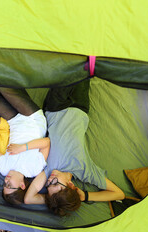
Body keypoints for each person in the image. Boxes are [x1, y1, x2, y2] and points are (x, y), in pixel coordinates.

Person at [23, 81, 125, 216]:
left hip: (56, 108)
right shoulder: (85, 171)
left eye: (48, 186)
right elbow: (119, 194)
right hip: (80, 108)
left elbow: (28, 199)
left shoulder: (48, 170)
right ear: (71, 185)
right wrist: (85, 196)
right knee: (84, 72)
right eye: (54, 183)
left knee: (69, 73)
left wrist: (54, 201)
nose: (49, 181)